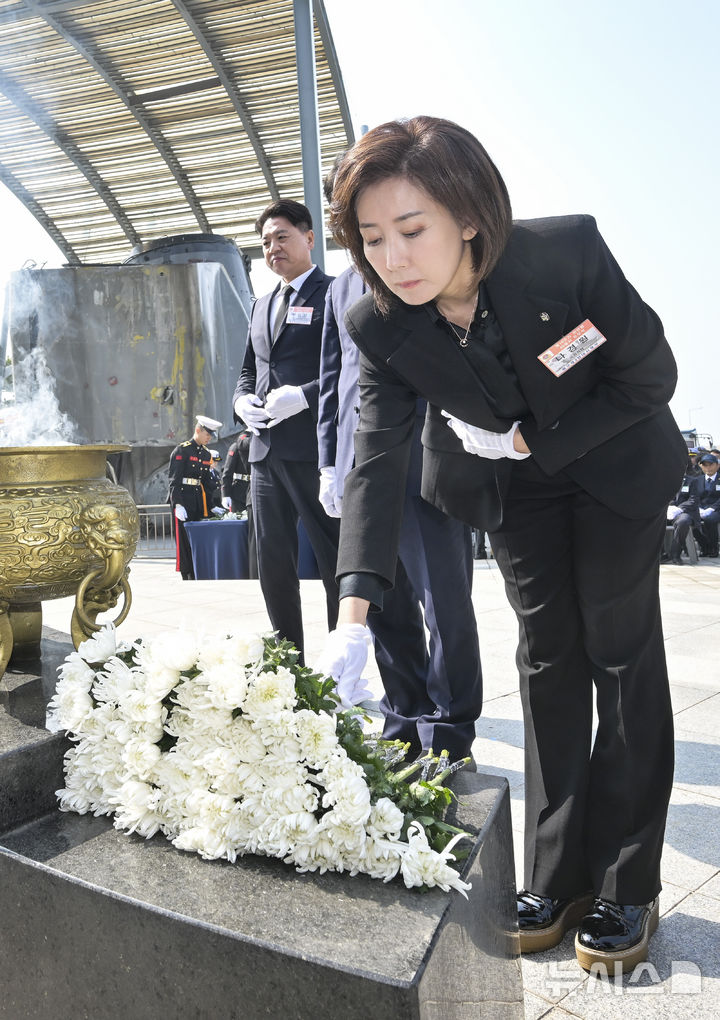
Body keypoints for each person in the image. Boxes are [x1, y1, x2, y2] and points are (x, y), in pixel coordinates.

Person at [317, 116, 687, 974]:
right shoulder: (381, 323)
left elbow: (650, 375)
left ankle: (628, 883)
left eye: (412, 230)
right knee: (547, 657)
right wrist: (353, 614)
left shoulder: (565, 255)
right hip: (515, 490)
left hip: (612, 462)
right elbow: (376, 458)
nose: (393, 258)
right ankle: (556, 878)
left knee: (619, 652)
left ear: (469, 216)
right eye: (371, 237)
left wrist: (528, 440)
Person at [317, 265, 482, 761]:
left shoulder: (424, 264)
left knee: (443, 601)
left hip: (431, 452)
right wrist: (330, 461)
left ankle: (448, 734)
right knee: (384, 607)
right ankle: (405, 720)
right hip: (365, 454)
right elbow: (333, 377)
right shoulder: (340, 289)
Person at [233, 200, 339, 662]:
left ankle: (341, 666)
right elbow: (248, 370)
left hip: (315, 451)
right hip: (264, 453)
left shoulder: (333, 293)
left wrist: (304, 395)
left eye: (282, 237)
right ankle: (289, 664)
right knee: (273, 565)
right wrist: (241, 402)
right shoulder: (261, 304)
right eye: (265, 242)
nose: (272, 248)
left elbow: (348, 370)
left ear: (309, 238)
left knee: (335, 560)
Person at [167, 415, 222, 580]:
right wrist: (177, 504)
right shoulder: (182, 450)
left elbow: (206, 483)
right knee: (184, 541)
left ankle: (198, 570)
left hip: (198, 500)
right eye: (207, 434)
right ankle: (186, 574)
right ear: (198, 430)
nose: (209, 438)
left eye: (211, 435)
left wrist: (211, 505)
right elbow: (174, 480)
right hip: (183, 500)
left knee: (197, 539)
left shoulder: (205, 454)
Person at [667, 453, 720, 561]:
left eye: (710, 465)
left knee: (710, 519)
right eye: (705, 465)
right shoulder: (697, 480)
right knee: (693, 519)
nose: (708, 468)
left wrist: (711, 509)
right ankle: (704, 546)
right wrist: (699, 508)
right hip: (699, 508)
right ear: (701, 466)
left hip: (716, 509)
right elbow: (695, 496)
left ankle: (713, 547)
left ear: (717, 465)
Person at [221, 426, 258, 577]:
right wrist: (225, 494)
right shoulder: (236, 446)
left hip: (252, 489)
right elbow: (227, 472)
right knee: (241, 531)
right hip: (238, 494)